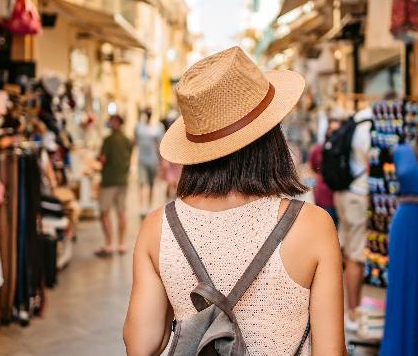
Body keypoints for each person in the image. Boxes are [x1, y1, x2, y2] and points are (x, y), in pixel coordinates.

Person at [124, 47, 346, 355]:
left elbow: (140, 346)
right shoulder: (312, 226)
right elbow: (331, 351)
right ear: (271, 136)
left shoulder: (158, 227)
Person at [333, 106, 373, 332]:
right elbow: (370, 163)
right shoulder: (367, 130)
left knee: (347, 253)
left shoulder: (353, 123)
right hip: (358, 197)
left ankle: (347, 308)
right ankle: (353, 312)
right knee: (356, 257)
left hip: (344, 194)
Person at [96, 114, 133, 256]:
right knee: (121, 212)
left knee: (104, 212)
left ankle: (109, 244)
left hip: (109, 180)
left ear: (116, 122)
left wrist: (98, 158)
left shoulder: (108, 140)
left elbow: (103, 159)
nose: (109, 123)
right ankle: (122, 244)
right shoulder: (127, 140)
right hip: (123, 180)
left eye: (111, 121)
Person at [308, 119, 340, 227]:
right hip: (324, 196)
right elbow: (312, 166)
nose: (333, 133)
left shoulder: (343, 150)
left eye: (337, 130)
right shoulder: (318, 149)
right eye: (331, 129)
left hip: (339, 197)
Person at [135, 108, 164, 214]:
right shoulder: (139, 127)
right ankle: (142, 206)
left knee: (151, 184)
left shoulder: (157, 128)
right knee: (142, 183)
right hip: (142, 160)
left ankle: (149, 205)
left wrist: (161, 161)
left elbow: (159, 145)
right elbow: (135, 142)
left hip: (153, 160)